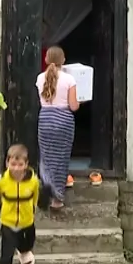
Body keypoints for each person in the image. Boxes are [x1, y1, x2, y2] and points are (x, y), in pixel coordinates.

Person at [36, 46, 79, 211]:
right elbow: (73, 106)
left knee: (46, 157)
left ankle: (47, 183)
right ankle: (57, 199)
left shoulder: (40, 78)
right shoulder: (69, 79)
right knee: (60, 159)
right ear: (64, 60)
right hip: (63, 121)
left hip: (45, 119)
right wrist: (81, 101)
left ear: (46, 59)